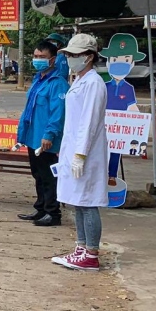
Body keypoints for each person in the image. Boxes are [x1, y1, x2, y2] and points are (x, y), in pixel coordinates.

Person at [52, 34, 109, 271]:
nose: (70, 59)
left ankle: (91, 253)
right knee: (76, 200)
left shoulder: (94, 84)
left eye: (75, 55)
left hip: (86, 151)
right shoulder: (78, 80)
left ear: (89, 57)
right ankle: (81, 246)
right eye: (68, 55)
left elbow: (89, 122)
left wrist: (80, 154)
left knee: (87, 201)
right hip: (73, 149)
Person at [15, 40, 70, 226]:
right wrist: (22, 134)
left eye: (42, 57)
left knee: (48, 176)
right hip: (33, 137)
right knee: (38, 174)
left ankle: (53, 213)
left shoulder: (58, 83)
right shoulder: (39, 80)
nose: (37, 60)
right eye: (36, 56)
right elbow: (29, 110)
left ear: (52, 59)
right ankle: (40, 209)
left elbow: (58, 113)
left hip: (46, 139)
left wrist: (50, 134)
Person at [100, 33, 145, 186]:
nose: (119, 64)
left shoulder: (129, 88)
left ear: (132, 64)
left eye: (125, 60)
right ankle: (99, 175)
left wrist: (141, 125)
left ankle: (111, 175)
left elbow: (132, 107)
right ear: (108, 63)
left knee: (115, 151)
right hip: (102, 125)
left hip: (119, 129)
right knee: (100, 151)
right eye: (114, 60)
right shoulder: (103, 86)